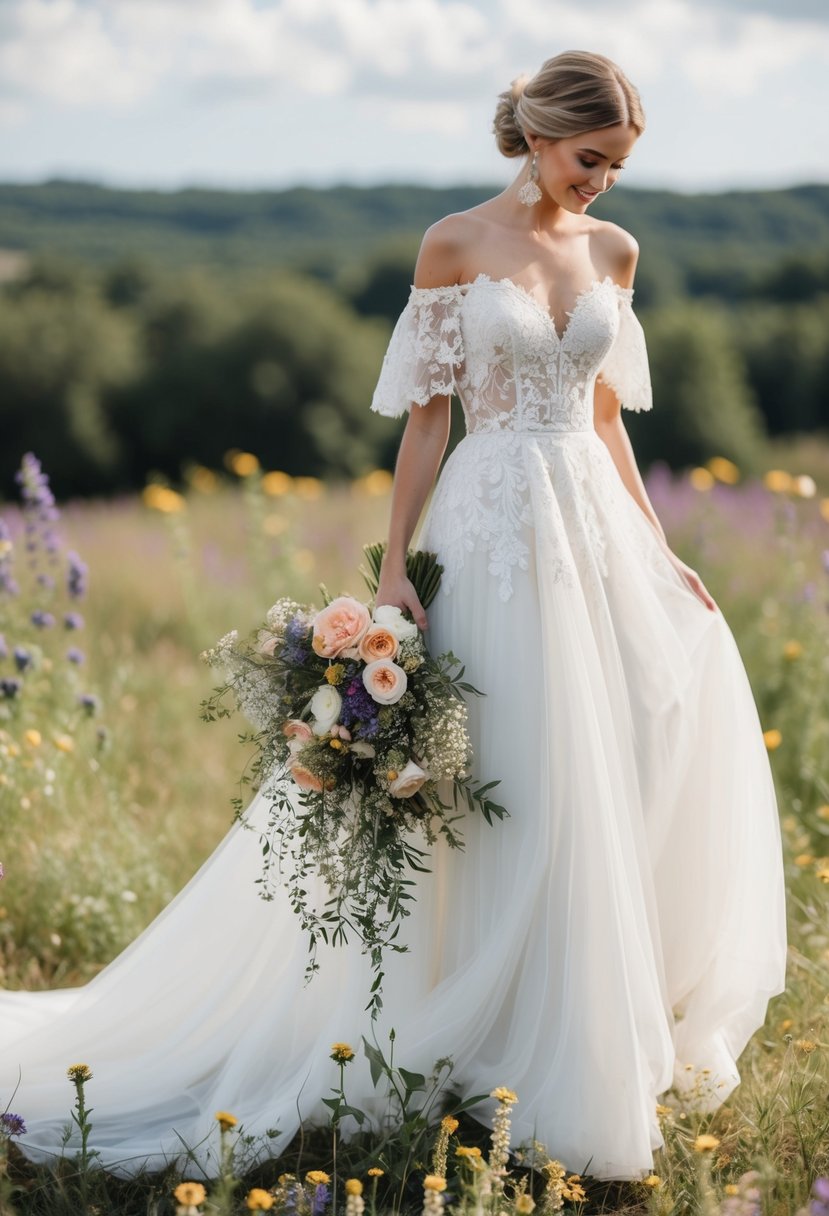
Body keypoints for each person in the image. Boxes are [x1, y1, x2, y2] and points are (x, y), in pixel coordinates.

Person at [0, 50, 787, 1186]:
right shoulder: (454, 244)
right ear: (536, 133)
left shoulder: (615, 252)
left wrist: (661, 552)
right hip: (487, 525)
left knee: (605, 765)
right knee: (489, 772)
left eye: (616, 165)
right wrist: (392, 576)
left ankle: (570, 1027)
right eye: (588, 158)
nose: (601, 182)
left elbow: (609, 419)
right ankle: (454, 1027)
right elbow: (426, 422)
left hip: (593, 533)